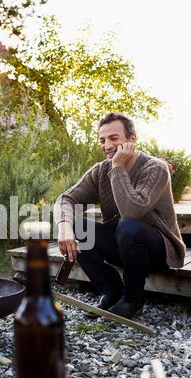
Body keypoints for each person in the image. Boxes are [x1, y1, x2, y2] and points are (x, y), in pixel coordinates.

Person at [54, 112, 186, 318]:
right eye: (102, 140)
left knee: (128, 226)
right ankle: (112, 290)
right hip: (123, 245)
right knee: (79, 226)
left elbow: (132, 211)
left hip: (158, 250)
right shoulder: (100, 171)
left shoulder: (155, 168)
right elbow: (66, 199)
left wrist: (117, 167)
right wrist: (64, 226)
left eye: (113, 138)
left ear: (131, 139)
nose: (107, 145)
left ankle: (133, 298)